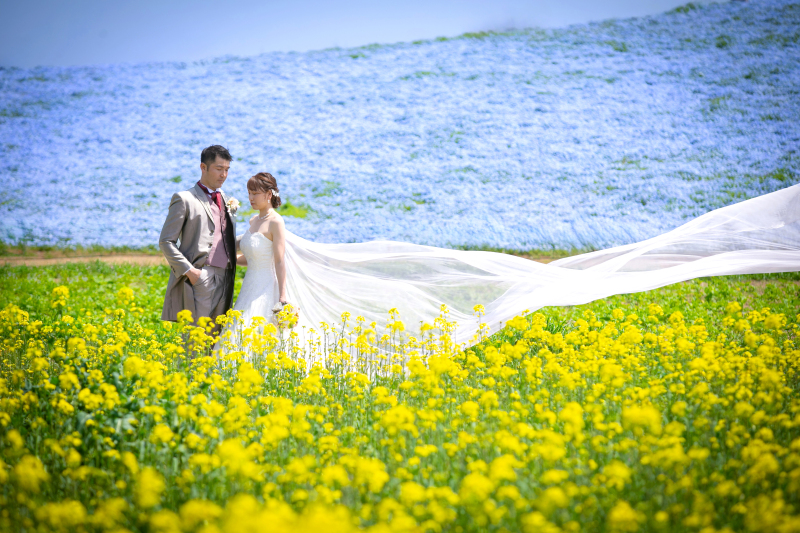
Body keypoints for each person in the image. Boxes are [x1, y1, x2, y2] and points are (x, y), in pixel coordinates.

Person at [159, 145, 238, 328]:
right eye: (219, 169)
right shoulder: (184, 198)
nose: (223, 175)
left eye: (227, 170)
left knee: (217, 342)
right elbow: (166, 241)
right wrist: (191, 273)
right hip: (201, 276)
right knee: (195, 341)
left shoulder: (227, 200)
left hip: (226, 279)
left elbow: (224, 240)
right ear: (203, 167)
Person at [226, 172, 290, 327]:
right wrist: (226, 259)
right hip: (249, 286)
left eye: (255, 193)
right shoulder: (253, 220)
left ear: (269, 194)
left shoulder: (276, 222)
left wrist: (282, 296)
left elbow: (280, 260)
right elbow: (252, 259)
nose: (250, 198)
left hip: (266, 287)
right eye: (249, 193)